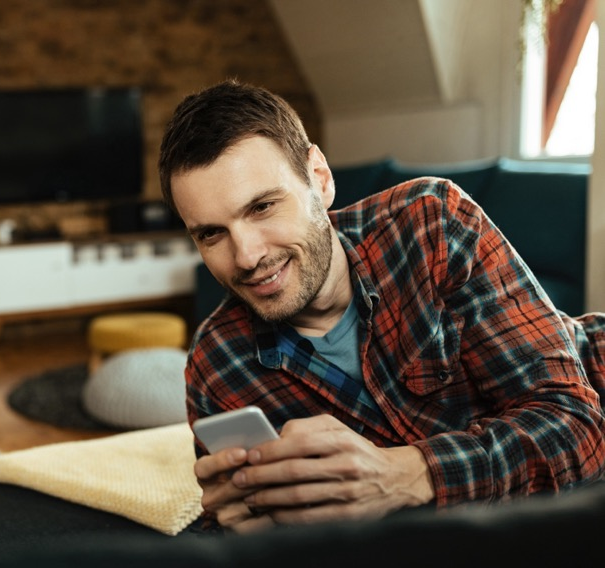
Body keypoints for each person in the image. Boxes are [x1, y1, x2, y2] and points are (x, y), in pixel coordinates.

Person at [158, 78, 605, 534]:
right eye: (212, 233)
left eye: (263, 208)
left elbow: (575, 428)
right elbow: (242, 532)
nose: (247, 256)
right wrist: (239, 531)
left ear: (319, 178)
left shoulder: (432, 225)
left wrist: (402, 475)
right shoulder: (217, 366)